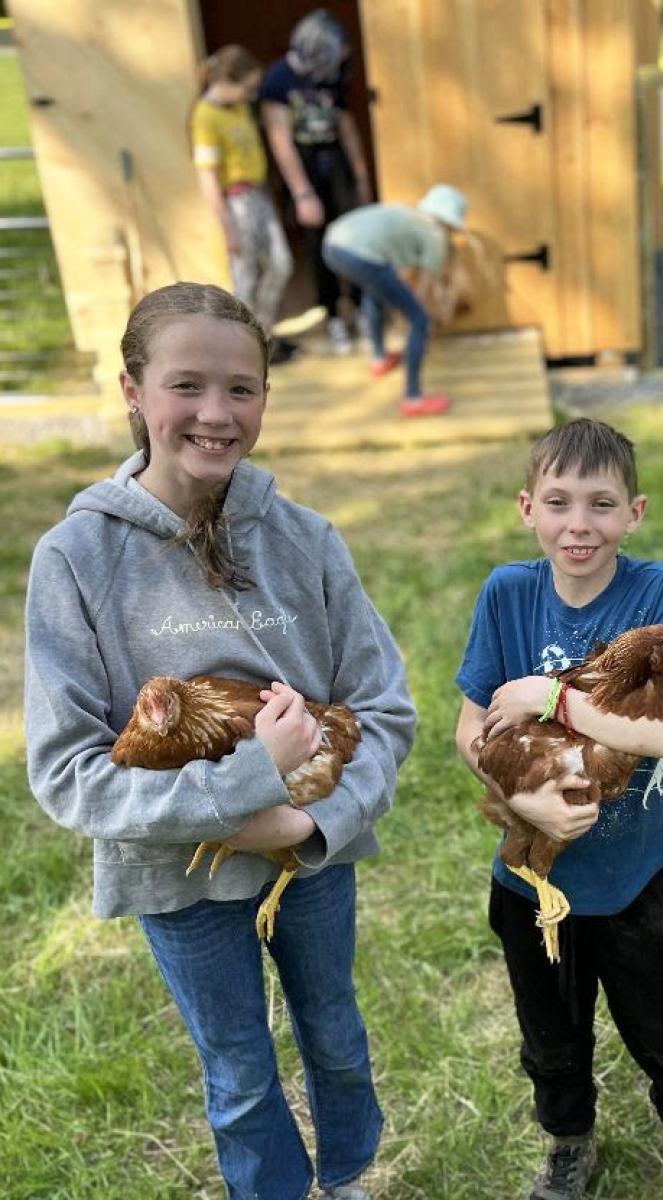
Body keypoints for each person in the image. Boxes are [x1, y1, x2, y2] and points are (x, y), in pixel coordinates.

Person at [23, 282, 417, 1200]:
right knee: (238, 1068)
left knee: (337, 1035)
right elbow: (67, 772)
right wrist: (246, 786)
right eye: (186, 385)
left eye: (241, 389)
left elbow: (384, 709)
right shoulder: (76, 561)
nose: (215, 413)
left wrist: (306, 828)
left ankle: (348, 1175)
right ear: (132, 389)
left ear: (267, 399)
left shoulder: (306, 540)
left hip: (312, 859)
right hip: (178, 874)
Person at [455, 418, 663, 1200]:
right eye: (559, 502)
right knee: (551, 1036)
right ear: (528, 507)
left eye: (601, 504)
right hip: (533, 876)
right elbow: (470, 731)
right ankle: (568, 1144)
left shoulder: (658, 592)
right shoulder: (508, 595)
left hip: (638, 875)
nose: (579, 524)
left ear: (636, 512)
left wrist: (552, 694)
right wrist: (524, 798)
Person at [260, 9, 372, 355]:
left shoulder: (332, 75)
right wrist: (303, 193)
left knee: (353, 239)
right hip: (305, 173)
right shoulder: (278, 81)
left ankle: (360, 307)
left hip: (335, 165)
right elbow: (280, 140)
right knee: (319, 246)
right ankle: (333, 316)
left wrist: (361, 175)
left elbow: (345, 124)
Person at [191, 45, 299, 365]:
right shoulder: (205, 116)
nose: (251, 95)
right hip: (236, 201)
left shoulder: (237, 107)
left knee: (281, 263)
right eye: (248, 88)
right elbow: (208, 176)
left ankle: (263, 334)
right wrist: (228, 228)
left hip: (259, 195)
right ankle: (242, 349)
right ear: (227, 81)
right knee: (246, 275)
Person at [322, 184, 467, 418]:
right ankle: (413, 398)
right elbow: (423, 292)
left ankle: (380, 359)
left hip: (332, 246)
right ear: (450, 222)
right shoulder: (435, 235)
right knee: (420, 320)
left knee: (375, 291)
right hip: (358, 254)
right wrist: (423, 317)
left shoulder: (408, 214)